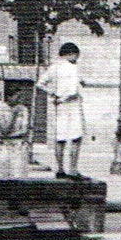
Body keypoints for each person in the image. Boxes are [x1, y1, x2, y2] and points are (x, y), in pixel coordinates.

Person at [36, 42, 85, 179]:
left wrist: (53, 93)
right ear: (71, 54)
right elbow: (74, 88)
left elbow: (40, 83)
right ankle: (73, 169)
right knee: (76, 137)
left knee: (61, 138)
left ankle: (60, 169)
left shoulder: (54, 68)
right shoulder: (73, 68)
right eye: (76, 55)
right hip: (72, 104)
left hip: (59, 105)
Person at [0, 88, 31, 177]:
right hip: (5, 145)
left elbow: (24, 130)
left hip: (18, 145)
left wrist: (13, 135)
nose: (19, 99)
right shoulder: (1, 109)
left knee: (18, 174)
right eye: (17, 96)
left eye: (20, 97)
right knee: (3, 174)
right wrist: (13, 115)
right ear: (9, 97)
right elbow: (4, 130)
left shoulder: (23, 109)